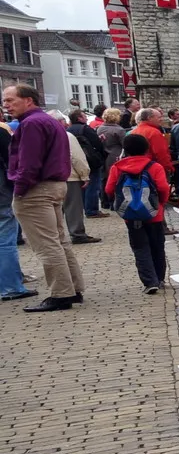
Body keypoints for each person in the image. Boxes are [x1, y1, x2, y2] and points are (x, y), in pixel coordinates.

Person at [3, 84, 85, 311]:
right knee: (59, 240)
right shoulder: (48, 120)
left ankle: (61, 294)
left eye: (10, 100)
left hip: (36, 189)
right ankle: (73, 288)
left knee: (47, 244)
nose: (6, 105)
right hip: (54, 185)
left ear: (28, 100)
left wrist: (20, 190)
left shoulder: (31, 124)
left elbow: (29, 162)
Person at [105, 132, 170, 294]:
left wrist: (118, 203)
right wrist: (160, 204)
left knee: (140, 248)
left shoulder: (117, 168)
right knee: (157, 246)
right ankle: (160, 278)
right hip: (154, 214)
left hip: (131, 215)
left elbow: (109, 189)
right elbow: (163, 188)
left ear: (125, 149)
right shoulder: (154, 167)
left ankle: (149, 281)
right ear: (146, 149)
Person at [0, 118, 31, 302]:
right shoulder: (2, 133)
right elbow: (11, 161)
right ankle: (11, 286)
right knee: (5, 241)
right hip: (2, 194)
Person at [56, 112, 97, 245]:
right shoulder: (66, 136)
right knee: (73, 206)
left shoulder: (42, 136)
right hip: (70, 176)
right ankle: (77, 233)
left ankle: (56, 235)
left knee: (56, 208)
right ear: (61, 122)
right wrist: (85, 174)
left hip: (52, 177)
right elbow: (76, 157)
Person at [69, 109, 107, 219]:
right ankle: (92, 210)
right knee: (93, 185)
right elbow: (97, 143)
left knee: (82, 186)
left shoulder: (68, 130)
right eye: (84, 116)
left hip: (75, 161)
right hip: (90, 160)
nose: (86, 118)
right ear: (79, 118)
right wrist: (101, 154)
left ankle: (85, 207)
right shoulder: (85, 129)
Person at [97, 108, 127, 211]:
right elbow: (125, 144)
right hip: (116, 155)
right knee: (116, 179)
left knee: (104, 179)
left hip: (103, 155)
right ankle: (115, 202)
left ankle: (104, 201)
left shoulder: (100, 128)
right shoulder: (119, 130)